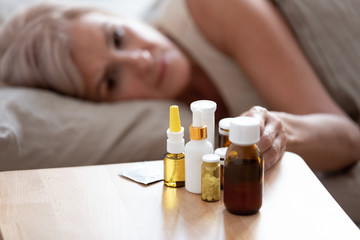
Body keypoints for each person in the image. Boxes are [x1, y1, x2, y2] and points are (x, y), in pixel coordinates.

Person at [0, 0, 359, 173]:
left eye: (118, 37)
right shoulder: (177, 122)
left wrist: (280, 133)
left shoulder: (214, 8)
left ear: (119, 17)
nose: (139, 60)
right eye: (111, 80)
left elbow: (349, 138)